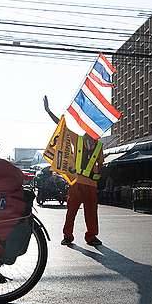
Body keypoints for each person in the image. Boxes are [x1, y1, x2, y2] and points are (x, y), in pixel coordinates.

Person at [43, 95, 103, 246]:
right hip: (76, 183)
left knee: (91, 213)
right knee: (71, 211)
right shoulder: (78, 139)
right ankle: (68, 236)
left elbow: (101, 165)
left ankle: (91, 237)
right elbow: (62, 127)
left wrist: (97, 178)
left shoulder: (99, 146)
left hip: (91, 185)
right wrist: (48, 111)